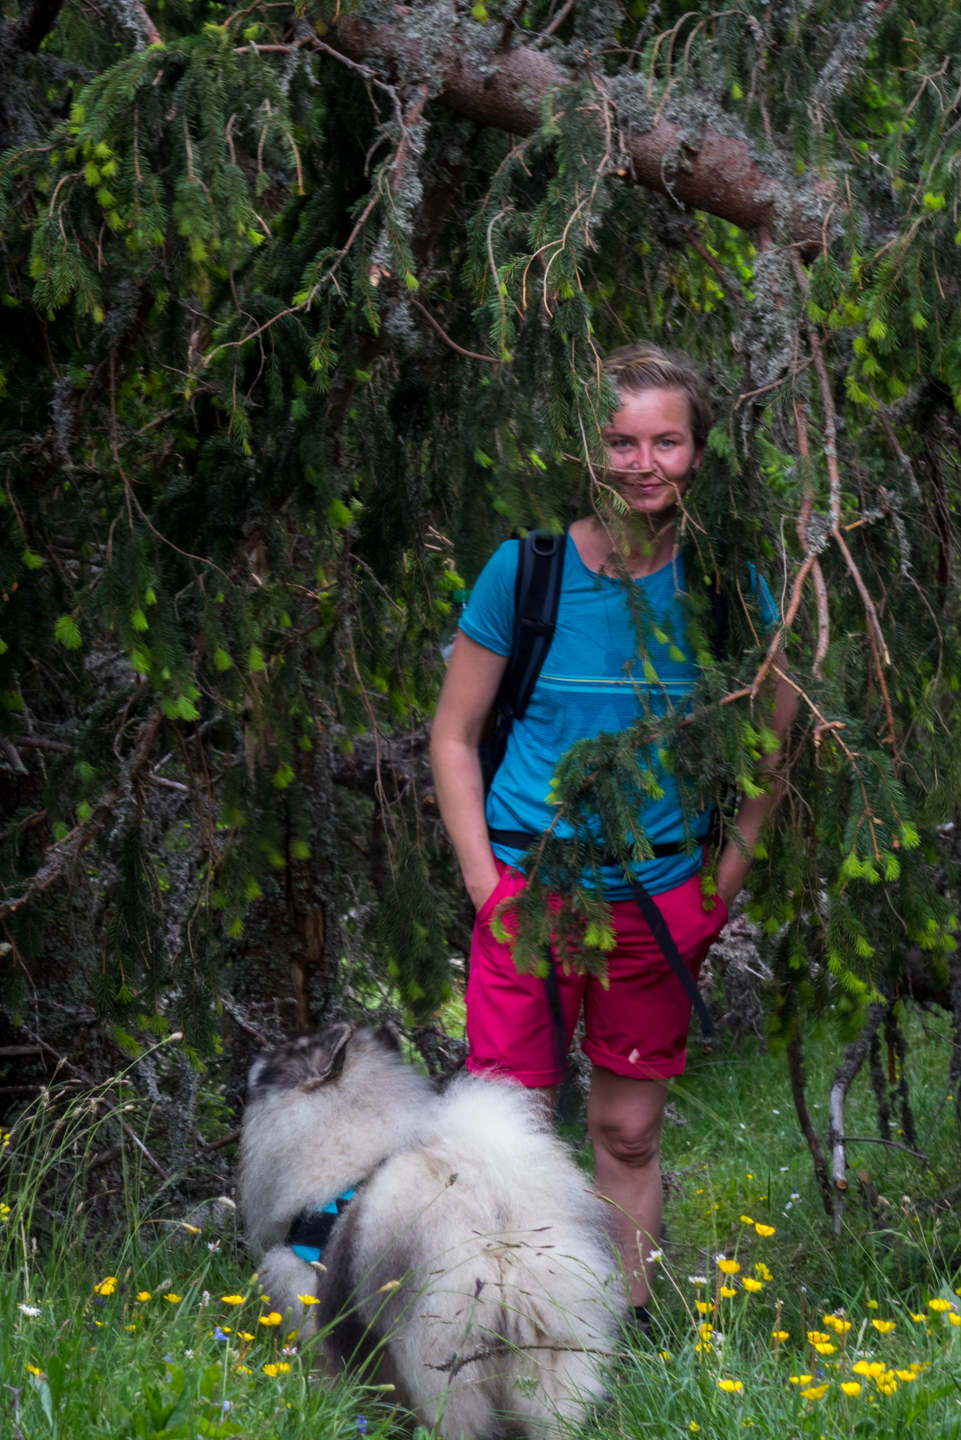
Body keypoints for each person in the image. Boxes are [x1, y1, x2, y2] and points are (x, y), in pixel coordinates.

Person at [430, 343, 796, 1325]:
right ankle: (511, 1327)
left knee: (628, 1134)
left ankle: (620, 1330)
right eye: (621, 442)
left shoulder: (729, 585)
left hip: (660, 897)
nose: (644, 463)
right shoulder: (528, 574)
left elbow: (775, 729)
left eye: (666, 441)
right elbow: (454, 735)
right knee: (509, 1132)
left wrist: (722, 879)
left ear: (697, 451)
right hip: (528, 890)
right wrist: (483, 884)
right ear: (589, 453)